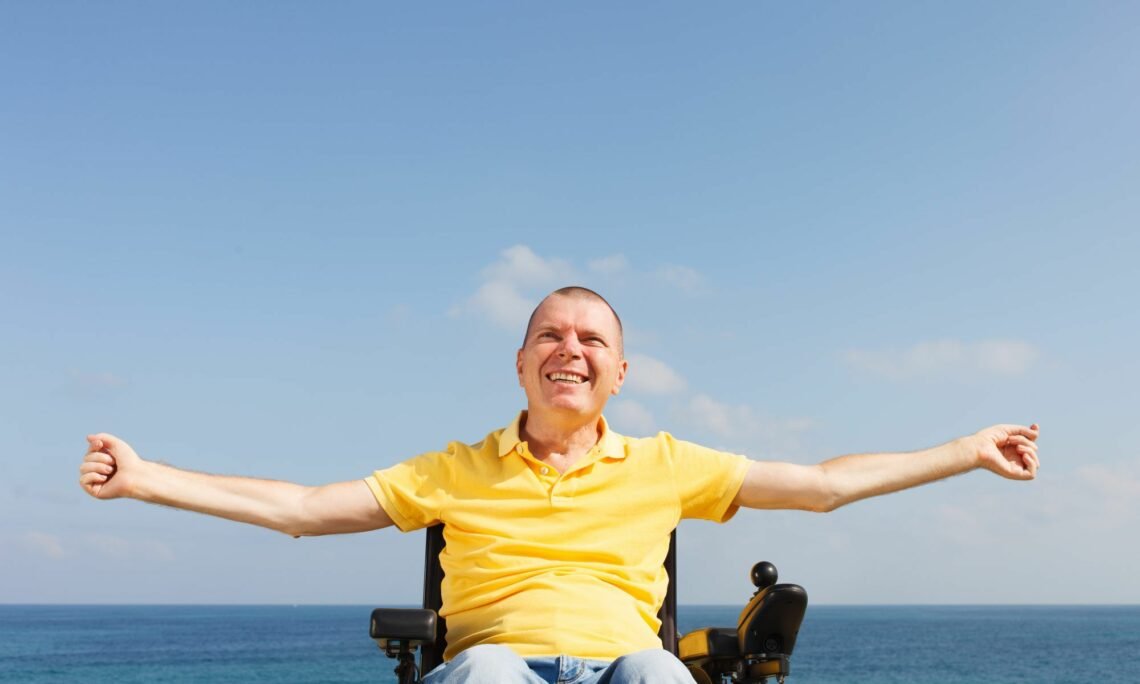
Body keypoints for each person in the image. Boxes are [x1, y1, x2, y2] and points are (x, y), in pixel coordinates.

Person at [79, 286, 1040, 684]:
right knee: (492, 674)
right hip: (495, 671)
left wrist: (966, 448)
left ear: (619, 373)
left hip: (625, 669)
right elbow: (299, 510)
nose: (569, 348)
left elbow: (824, 485)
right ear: (520, 363)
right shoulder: (453, 469)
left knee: (659, 674)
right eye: (549, 333)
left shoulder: (667, 464)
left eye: (591, 339)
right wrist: (146, 479)